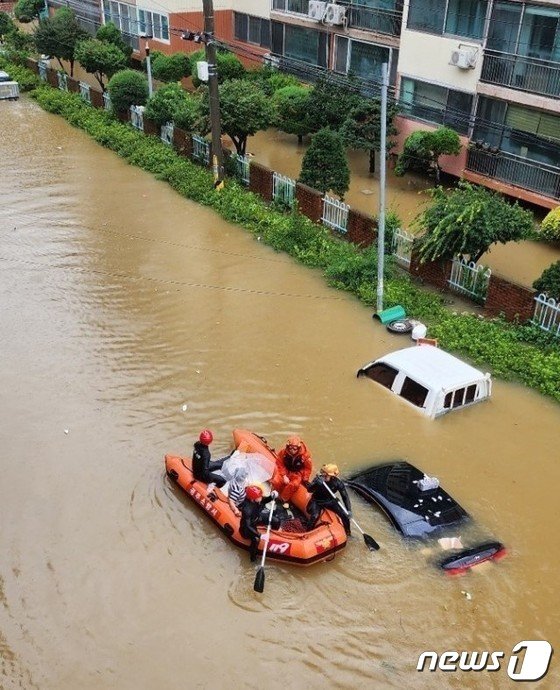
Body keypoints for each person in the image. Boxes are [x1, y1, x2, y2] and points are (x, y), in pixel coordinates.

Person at [306, 464, 352, 536]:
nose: (323, 475)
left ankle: (348, 533)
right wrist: (316, 484)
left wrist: (348, 510)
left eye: (326, 475)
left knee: (345, 515)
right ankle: (307, 533)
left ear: (333, 476)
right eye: (323, 473)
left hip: (330, 500)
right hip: (317, 500)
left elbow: (345, 496)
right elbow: (309, 490)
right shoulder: (318, 479)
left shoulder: (338, 483)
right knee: (314, 516)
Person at [239, 485, 279, 562]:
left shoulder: (257, 500)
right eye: (259, 496)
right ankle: (253, 558)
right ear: (252, 499)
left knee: (276, 520)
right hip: (247, 528)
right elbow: (248, 526)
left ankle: (274, 535)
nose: (261, 497)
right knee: (256, 540)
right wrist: (260, 535)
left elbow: (264, 500)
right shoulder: (247, 509)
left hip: (257, 518)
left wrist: (271, 496)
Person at [271, 436, 313, 502]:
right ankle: (273, 494)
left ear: (298, 448)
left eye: (294, 449)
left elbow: (308, 468)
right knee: (276, 481)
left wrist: (305, 479)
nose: (292, 450)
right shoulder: (283, 452)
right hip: (286, 470)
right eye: (290, 448)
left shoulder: (305, 455)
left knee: (294, 484)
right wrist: (284, 475)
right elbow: (279, 463)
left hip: (297, 473)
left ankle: (282, 499)